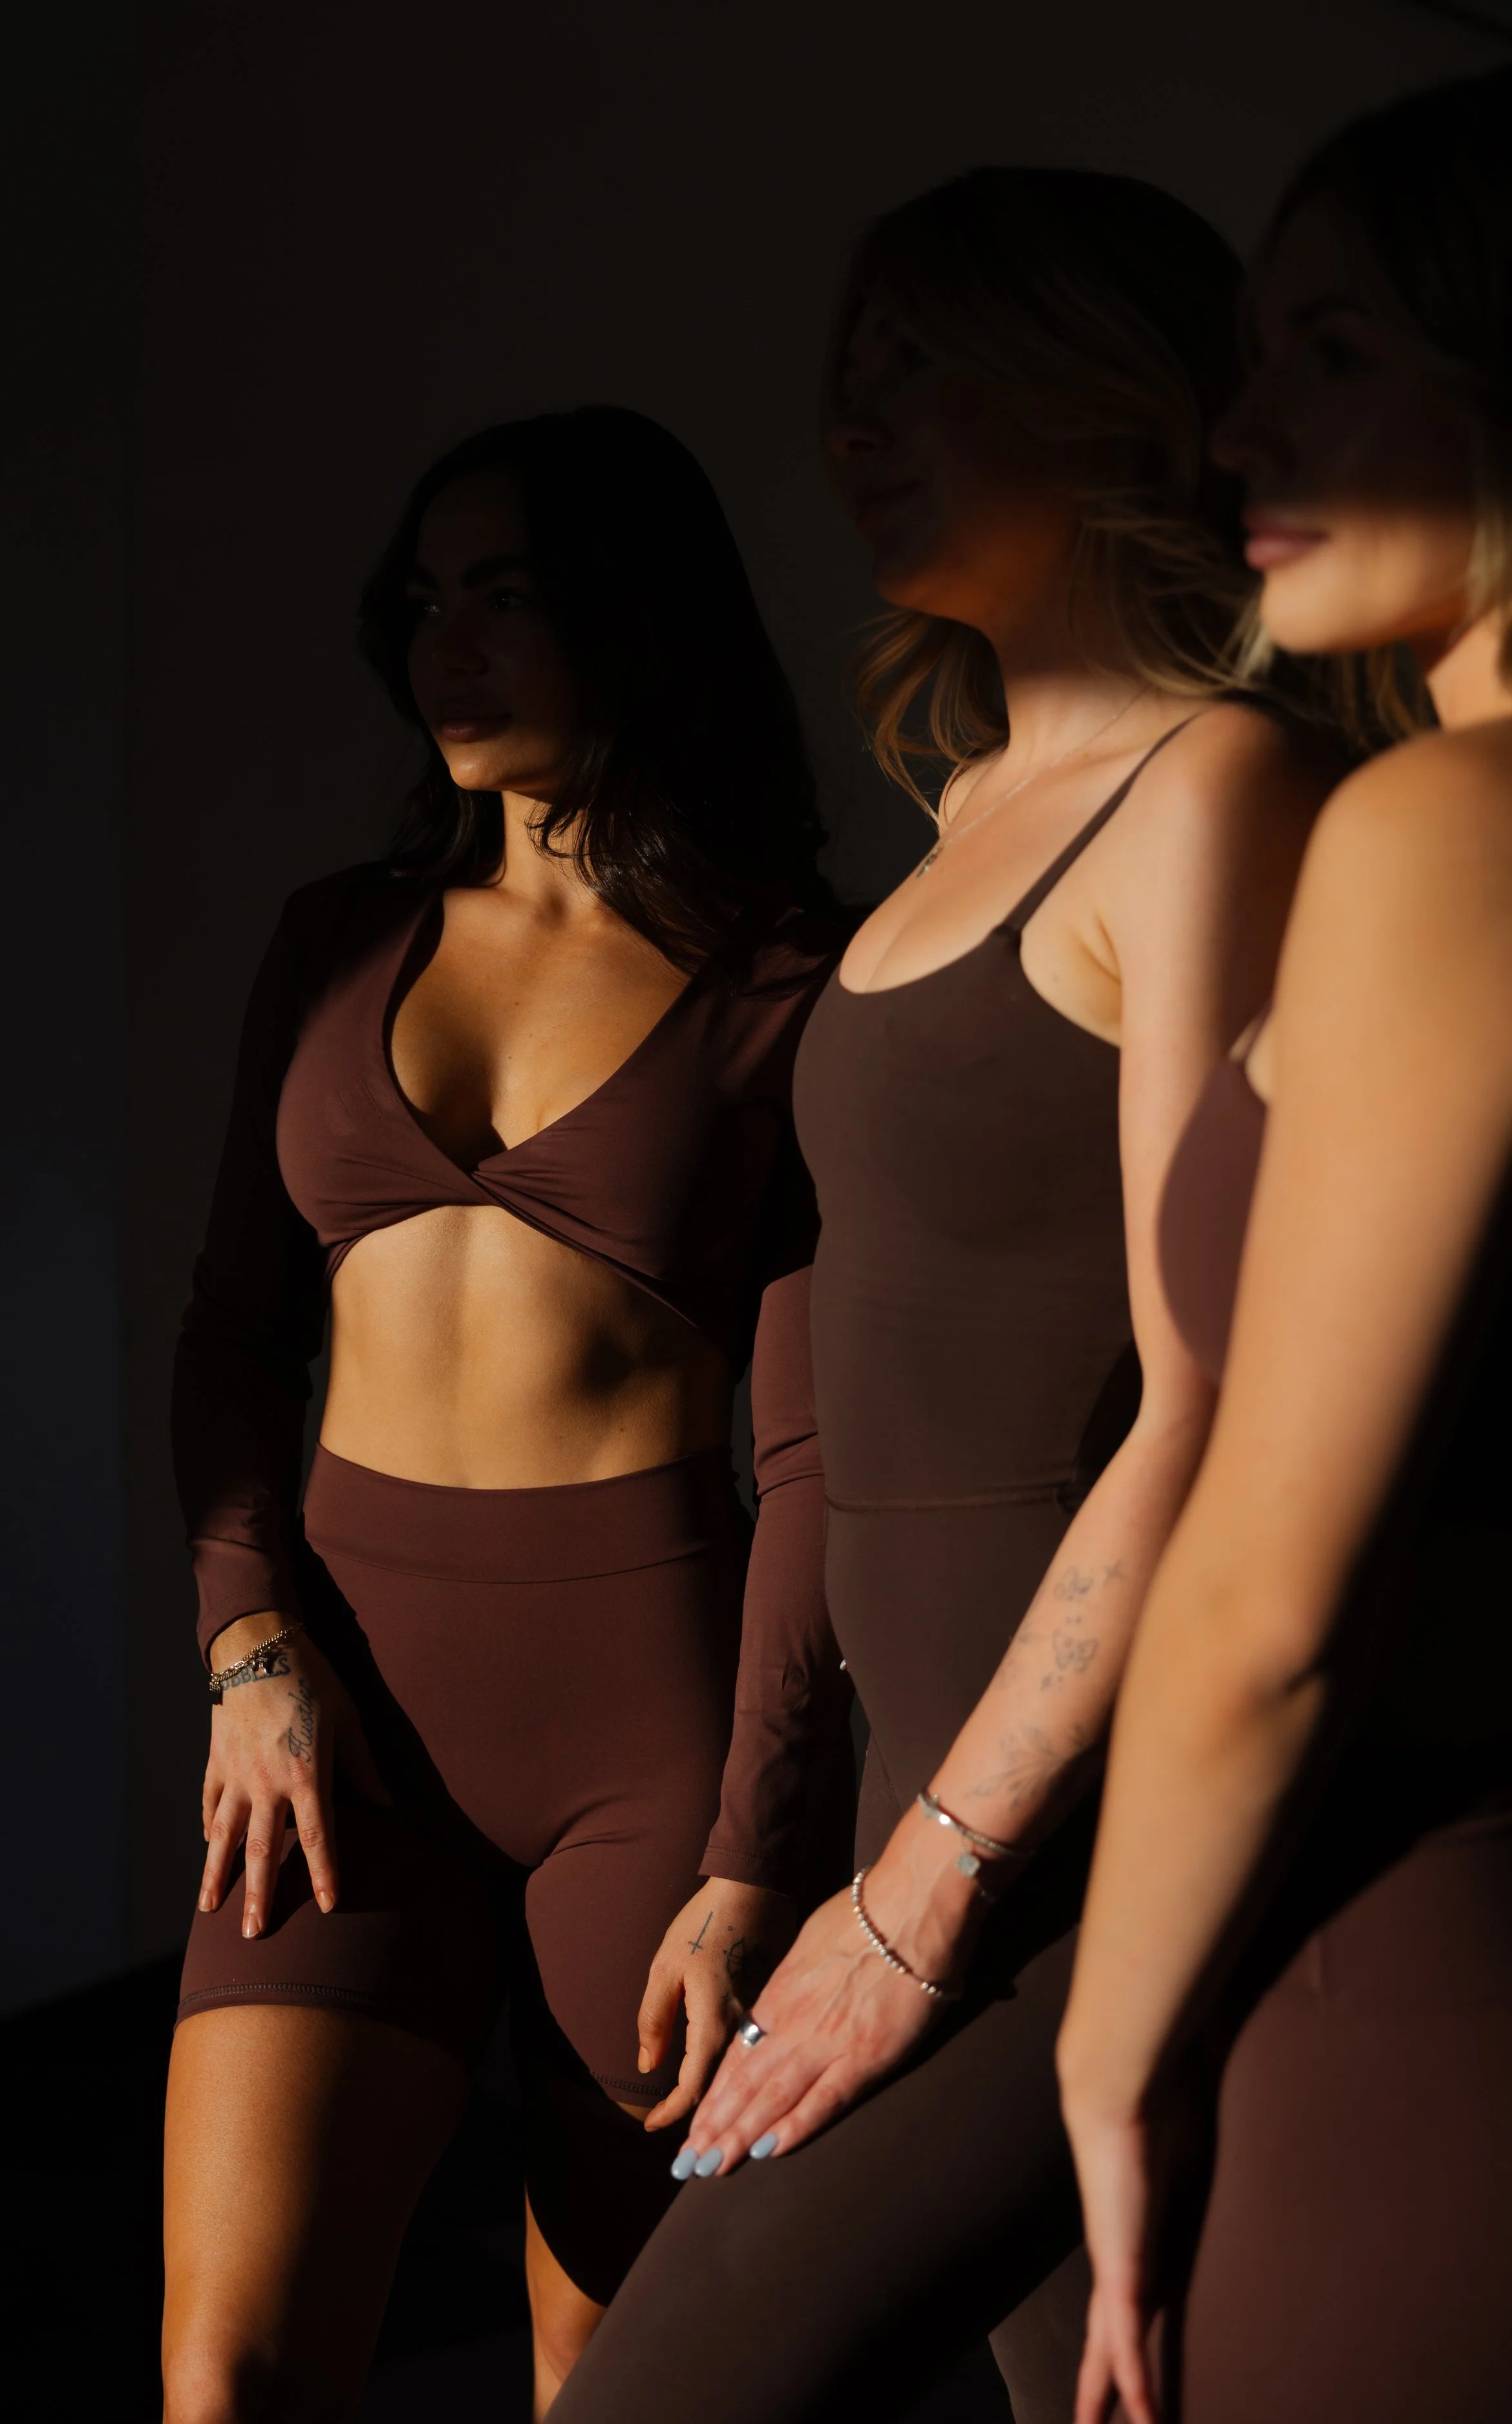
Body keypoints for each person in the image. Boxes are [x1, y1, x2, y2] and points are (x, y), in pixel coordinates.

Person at [549, 170, 1342, 2424]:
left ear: (1102, 393)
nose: (847, 421)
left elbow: (1212, 1399)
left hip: (1069, 1817)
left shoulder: (1211, 789)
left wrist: (925, 1889)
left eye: (916, 364)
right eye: (844, 373)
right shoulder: (972, 798)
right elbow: (843, 1394)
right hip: (927, 1787)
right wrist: (775, 1844)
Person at [160, 406, 857, 2423]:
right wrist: (247, 1643)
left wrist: (755, 1847)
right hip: (336, 1719)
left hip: (648, 1746)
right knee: (228, 2375)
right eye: (422, 599)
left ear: (631, 618)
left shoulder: (784, 979)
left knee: (606, 2379)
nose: (443, 644)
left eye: (505, 594)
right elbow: (232, 1330)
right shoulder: (339, 934)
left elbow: (807, 1457)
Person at [1056, 67, 1512, 2424]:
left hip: (1401, 1975)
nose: (1236, 433)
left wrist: (1104, 2054)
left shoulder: (1446, 830)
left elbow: (1262, 1602)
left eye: (1331, 350)